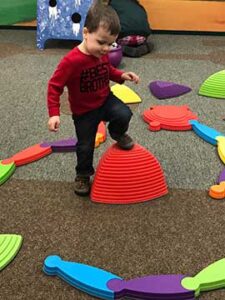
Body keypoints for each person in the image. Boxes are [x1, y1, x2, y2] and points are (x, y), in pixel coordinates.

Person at [47, 2, 140, 196]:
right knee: (85, 146)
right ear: (86, 32)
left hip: (105, 99)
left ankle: (117, 132)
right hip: (84, 112)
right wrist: (54, 114)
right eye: (101, 42)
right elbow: (54, 86)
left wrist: (121, 75)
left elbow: (107, 71)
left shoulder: (100, 53)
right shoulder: (71, 61)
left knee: (124, 113)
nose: (106, 49)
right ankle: (82, 175)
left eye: (111, 44)